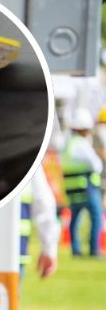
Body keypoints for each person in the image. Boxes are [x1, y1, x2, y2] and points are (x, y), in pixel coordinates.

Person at [62, 107, 104, 257]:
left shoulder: (68, 144)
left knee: (75, 220)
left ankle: (76, 250)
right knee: (97, 217)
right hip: (87, 188)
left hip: (73, 190)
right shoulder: (82, 144)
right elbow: (97, 166)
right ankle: (94, 249)